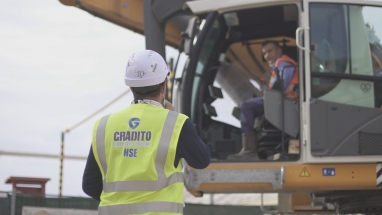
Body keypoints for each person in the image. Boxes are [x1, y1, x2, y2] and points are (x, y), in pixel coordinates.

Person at [82, 50, 210, 214]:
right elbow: (201, 160)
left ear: (130, 86)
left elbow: (90, 185)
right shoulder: (176, 124)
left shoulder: (103, 125)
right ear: (164, 85)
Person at [227, 40, 298, 161]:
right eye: (264, 53)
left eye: (270, 51)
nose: (267, 56)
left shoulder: (284, 63)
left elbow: (278, 88)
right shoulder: (281, 65)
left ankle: (249, 151)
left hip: (286, 103)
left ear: (279, 51)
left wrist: (261, 104)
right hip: (283, 102)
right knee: (249, 104)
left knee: (246, 107)